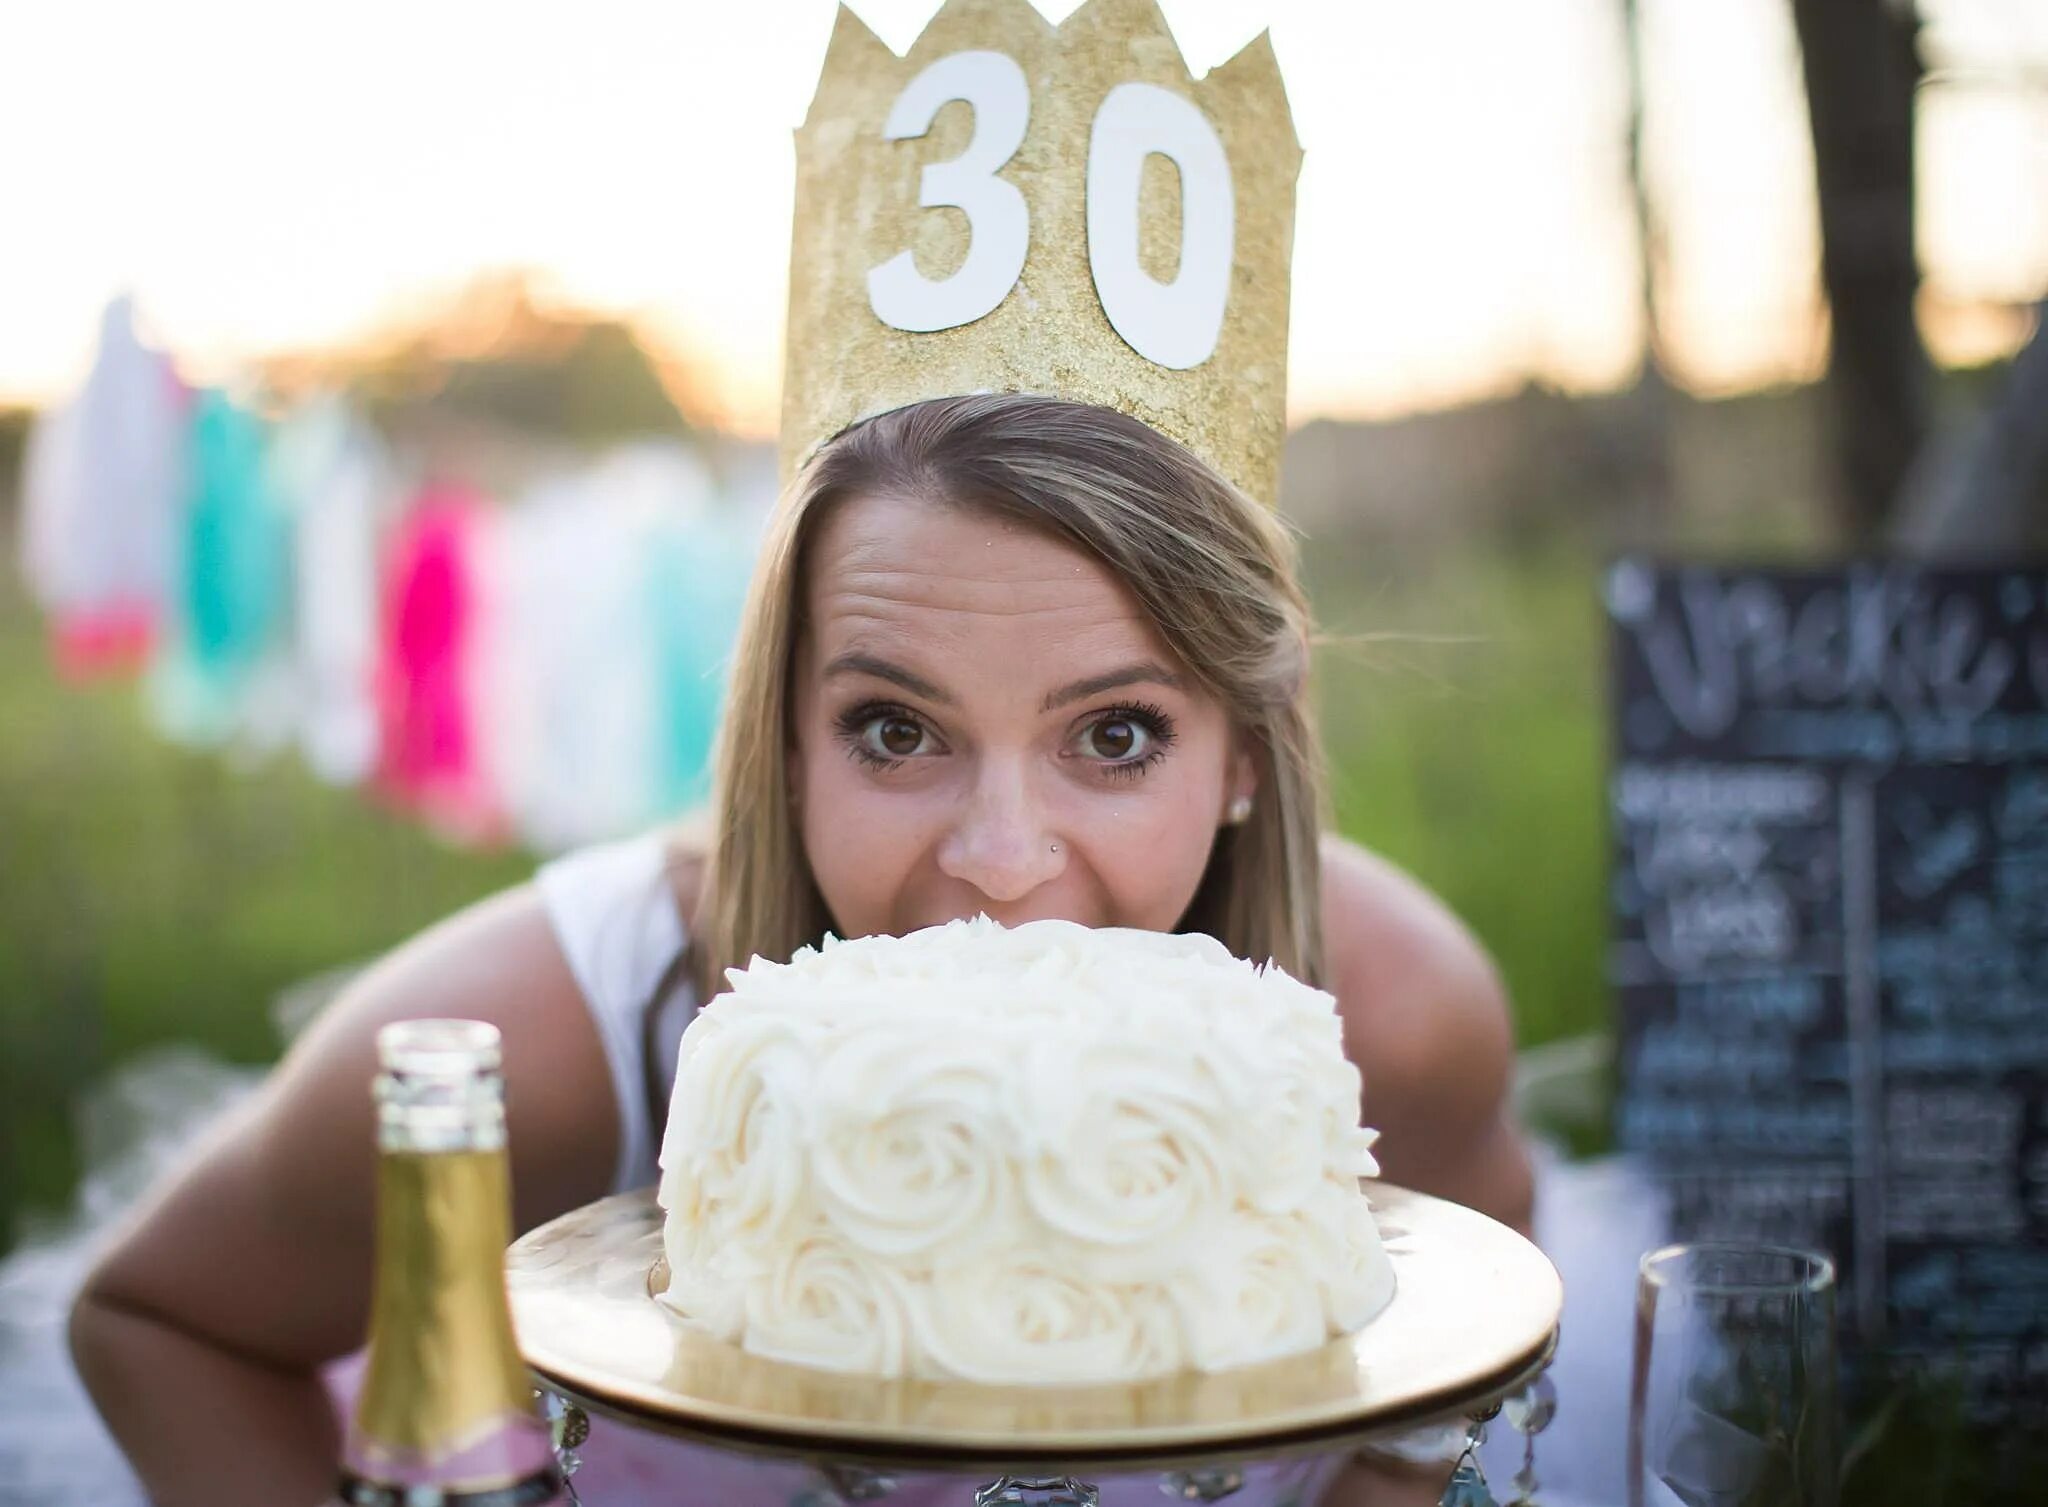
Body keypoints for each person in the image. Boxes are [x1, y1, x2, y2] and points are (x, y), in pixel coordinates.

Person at [68, 391, 1532, 1507]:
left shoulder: (1394, 1026)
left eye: (1117, 735)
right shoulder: (551, 1036)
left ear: (1241, 762)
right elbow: (157, 1322)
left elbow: (1424, 1422)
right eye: (896, 732)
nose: (1001, 858)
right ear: (782, 745)